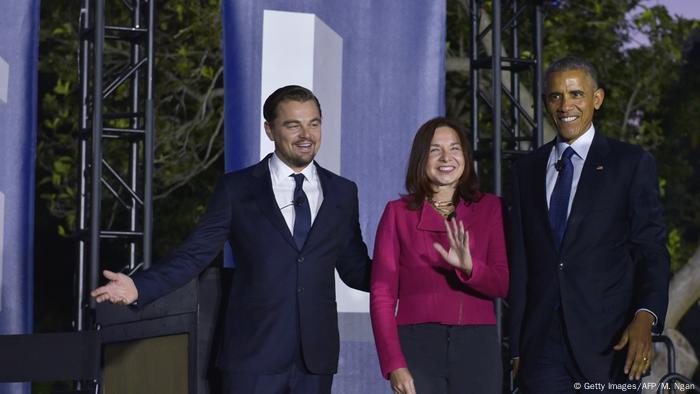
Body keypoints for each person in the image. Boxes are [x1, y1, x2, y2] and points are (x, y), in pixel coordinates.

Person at [91, 85, 372, 394]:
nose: (306, 134)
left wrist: (412, 274)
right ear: (270, 130)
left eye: (314, 123)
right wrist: (139, 287)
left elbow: (355, 267)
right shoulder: (237, 189)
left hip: (315, 360)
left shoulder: (344, 192)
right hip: (252, 355)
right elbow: (195, 254)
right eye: (293, 125)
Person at [508, 56, 670, 393]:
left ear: (597, 99)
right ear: (546, 103)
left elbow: (650, 251)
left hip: (609, 347)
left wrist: (646, 317)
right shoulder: (527, 170)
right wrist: (517, 349)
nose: (565, 105)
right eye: (555, 96)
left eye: (576, 94)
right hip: (542, 352)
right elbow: (522, 265)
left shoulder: (630, 163)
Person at [370, 117, 509, 394]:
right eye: (435, 150)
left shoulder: (491, 208)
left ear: (466, 157)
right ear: (421, 158)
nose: (447, 157)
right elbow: (382, 296)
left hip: (477, 347)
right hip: (417, 346)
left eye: (455, 148)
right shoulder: (397, 213)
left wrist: (471, 268)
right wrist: (394, 363)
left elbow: (502, 284)